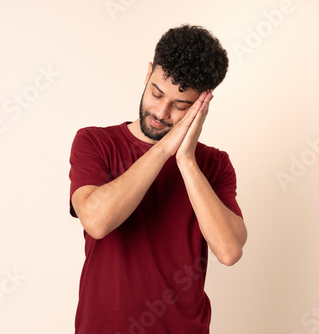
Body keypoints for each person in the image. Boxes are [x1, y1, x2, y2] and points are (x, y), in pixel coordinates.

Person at [69, 24, 247, 334]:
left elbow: (229, 250)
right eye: (156, 93)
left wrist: (186, 160)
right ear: (149, 72)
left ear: (202, 106)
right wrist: (165, 147)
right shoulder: (95, 142)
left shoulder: (214, 164)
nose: (162, 112)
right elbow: (96, 221)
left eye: (180, 106)